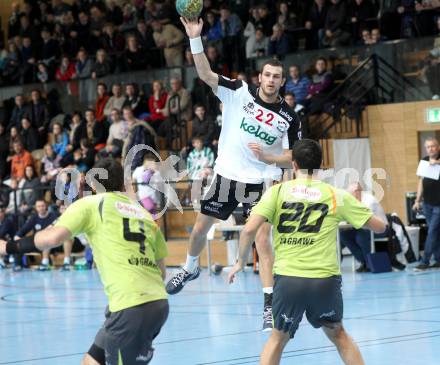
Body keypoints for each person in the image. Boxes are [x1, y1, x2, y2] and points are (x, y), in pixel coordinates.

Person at [165, 17, 302, 331]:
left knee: (263, 241)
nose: (271, 80)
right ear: (260, 76)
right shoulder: (238, 92)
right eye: (267, 74)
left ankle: (269, 305)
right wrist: (195, 39)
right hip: (226, 177)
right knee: (199, 230)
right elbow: (205, 74)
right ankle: (189, 269)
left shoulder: (289, 118)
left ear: (282, 82)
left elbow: (294, 155)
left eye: (277, 77)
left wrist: (270, 157)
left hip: (259, 184)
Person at [228, 139, 386, 365]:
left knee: (277, 339)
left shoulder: (277, 192)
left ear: (293, 165)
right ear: (321, 165)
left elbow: (249, 230)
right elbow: (379, 227)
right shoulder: (335, 195)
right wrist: (379, 218)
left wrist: (240, 263)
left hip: (289, 280)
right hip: (324, 280)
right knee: (339, 335)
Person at [0, 158, 169, 365]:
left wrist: (8, 247)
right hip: (157, 303)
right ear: (123, 183)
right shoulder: (144, 214)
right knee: (90, 361)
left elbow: (51, 239)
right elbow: (162, 272)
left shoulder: (91, 204)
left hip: (131, 306)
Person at [339, 182, 389, 272]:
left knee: (361, 236)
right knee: (343, 235)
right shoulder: (354, 201)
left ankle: (369, 263)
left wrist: (348, 218)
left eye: (350, 194)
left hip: (381, 230)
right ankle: (364, 261)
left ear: (357, 192)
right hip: (363, 229)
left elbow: (364, 219)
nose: (349, 196)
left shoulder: (369, 200)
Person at [413, 137, 440, 271]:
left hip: (439, 204)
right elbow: (421, 181)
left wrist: (437, 163)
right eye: (428, 147)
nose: (431, 149)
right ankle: (439, 259)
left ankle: (425, 261)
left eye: (433, 146)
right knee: (434, 232)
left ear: (438, 147)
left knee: (432, 231)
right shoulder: (424, 160)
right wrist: (418, 200)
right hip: (427, 203)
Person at [14, 199, 58, 271]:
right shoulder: (34, 217)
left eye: (42, 206)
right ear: (36, 208)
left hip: (51, 244)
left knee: (45, 241)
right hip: (37, 243)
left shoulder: (52, 216)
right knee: (19, 243)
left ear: (46, 206)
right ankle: (17, 265)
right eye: (39, 206)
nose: (41, 208)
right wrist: (17, 236)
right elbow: (24, 229)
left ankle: (46, 263)